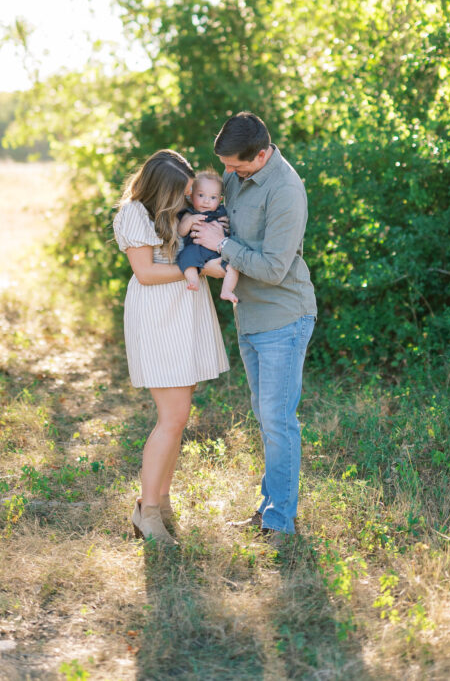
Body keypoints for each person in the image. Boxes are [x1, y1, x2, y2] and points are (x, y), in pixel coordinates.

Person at [192, 113, 316, 541]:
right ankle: (268, 509)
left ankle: (280, 521)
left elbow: (276, 268)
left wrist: (222, 246)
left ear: (262, 154)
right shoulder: (237, 174)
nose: (227, 174)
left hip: (284, 317)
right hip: (250, 316)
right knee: (267, 418)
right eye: (225, 165)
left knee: (278, 420)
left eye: (236, 166)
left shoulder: (286, 191)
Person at [113, 149, 229, 545]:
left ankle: (160, 501)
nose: (184, 198)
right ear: (159, 189)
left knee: (179, 417)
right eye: (178, 193)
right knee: (172, 417)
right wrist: (195, 270)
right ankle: (146, 511)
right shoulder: (134, 213)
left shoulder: (172, 210)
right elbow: (145, 273)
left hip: (185, 310)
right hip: (160, 313)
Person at [177, 170, 240, 303]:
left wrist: (227, 225)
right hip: (196, 249)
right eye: (201, 195)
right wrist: (189, 221)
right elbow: (181, 231)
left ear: (220, 199)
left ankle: (227, 290)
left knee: (234, 266)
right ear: (190, 195)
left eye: (213, 197)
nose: (206, 201)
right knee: (186, 258)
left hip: (219, 252)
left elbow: (232, 230)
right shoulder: (189, 213)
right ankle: (193, 280)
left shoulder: (221, 212)